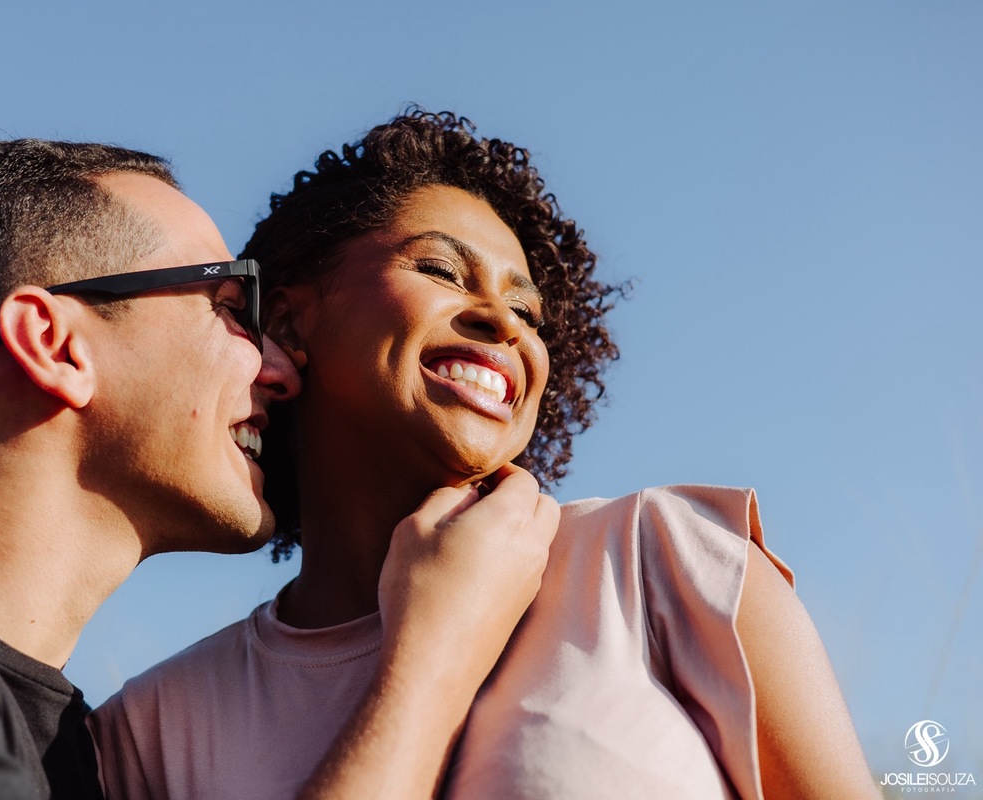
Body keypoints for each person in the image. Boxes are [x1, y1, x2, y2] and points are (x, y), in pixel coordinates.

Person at [91, 111, 882, 799]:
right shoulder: (147, 734)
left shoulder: (664, 560)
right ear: (291, 326)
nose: (504, 324)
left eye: (527, 312)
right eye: (439, 270)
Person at [0, 139, 561, 799]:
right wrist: (433, 656)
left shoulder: (86, 762)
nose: (279, 369)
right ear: (55, 347)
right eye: (228, 307)